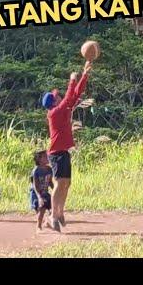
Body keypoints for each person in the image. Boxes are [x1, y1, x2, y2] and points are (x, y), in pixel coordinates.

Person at [41, 60, 92, 232]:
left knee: (66, 183)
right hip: (55, 153)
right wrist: (72, 79)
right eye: (56, 96)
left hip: (63, 151)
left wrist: (85, 74)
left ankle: (59, 212)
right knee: (59, 183)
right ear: (53, 102)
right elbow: (70, 95)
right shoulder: (54, 113)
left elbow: (76, 94)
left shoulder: (63, 109)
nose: (59, 96)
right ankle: (52, 216)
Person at [30, 150, 54, 233]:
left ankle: (47, 222)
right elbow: (35, 186)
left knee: (54, 208)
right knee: (42, 208)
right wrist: (39, 198)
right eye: (45, 156)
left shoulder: (49, 169)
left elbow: (50, 182)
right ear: (39, 159)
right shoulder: (36, 171)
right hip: (36, 194)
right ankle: (39, 226)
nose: (47, 157)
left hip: (45, 193)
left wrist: (55, 191)